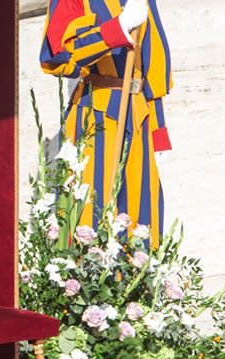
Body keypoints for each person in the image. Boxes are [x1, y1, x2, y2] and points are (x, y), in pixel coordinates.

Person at [40, 0, 172, 246]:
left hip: (139, 113)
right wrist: (118, 28)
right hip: (96, 112)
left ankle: (139, 283)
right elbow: (60, 54)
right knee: (92, 210)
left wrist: (159, 129)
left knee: (141, 216)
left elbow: (152, 65)